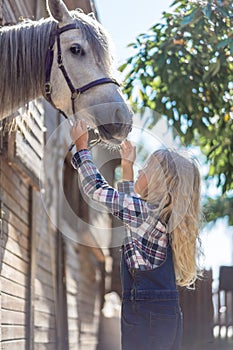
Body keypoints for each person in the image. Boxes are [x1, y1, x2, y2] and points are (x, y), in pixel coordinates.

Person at [70, 120, 202, 350]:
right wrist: (127, 167)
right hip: (166, 316)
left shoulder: (143, 213)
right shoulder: (158, 216)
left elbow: (97, 189)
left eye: (147, 168)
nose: (141, 169)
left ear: (159, 183)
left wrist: (82, 148)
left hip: (145, 317)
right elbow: (128, 210)